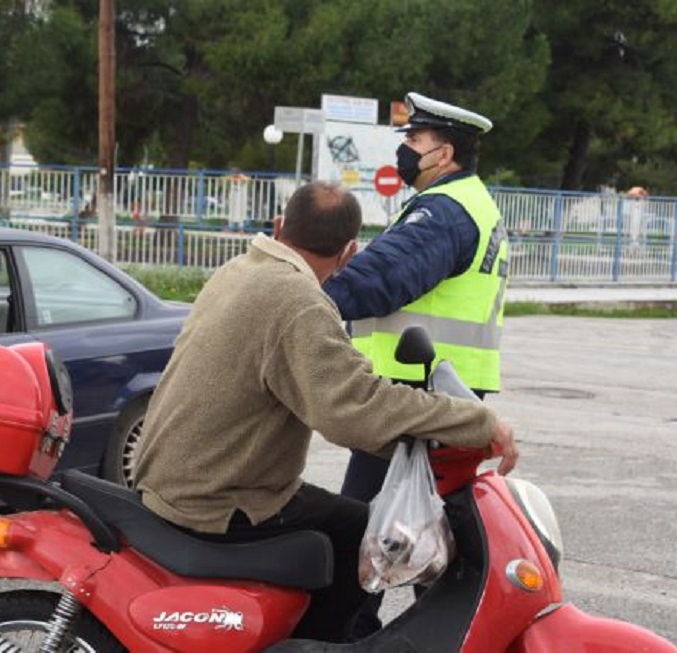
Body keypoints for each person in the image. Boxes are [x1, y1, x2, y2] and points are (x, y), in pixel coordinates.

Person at [134, 181, 517, 643]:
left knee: (345, 520)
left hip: (183, 478)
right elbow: (351, 410)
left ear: (279, 227)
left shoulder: (241, 269)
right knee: (367, 539)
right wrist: (476, 421)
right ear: (350, 252)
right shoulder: (298, 302)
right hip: (220, 498)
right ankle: (319, 645)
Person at [323, 91, 510, 637]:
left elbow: (378, 280)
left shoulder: (446, 212)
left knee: (366, 532)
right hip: (443, 396)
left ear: (443, 154)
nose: (404, 149)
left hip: (420, 403)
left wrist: (303, 297)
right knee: (426, 534)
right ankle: (444, 635)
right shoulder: (463, 202)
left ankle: (348, 637)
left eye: (414, 140)